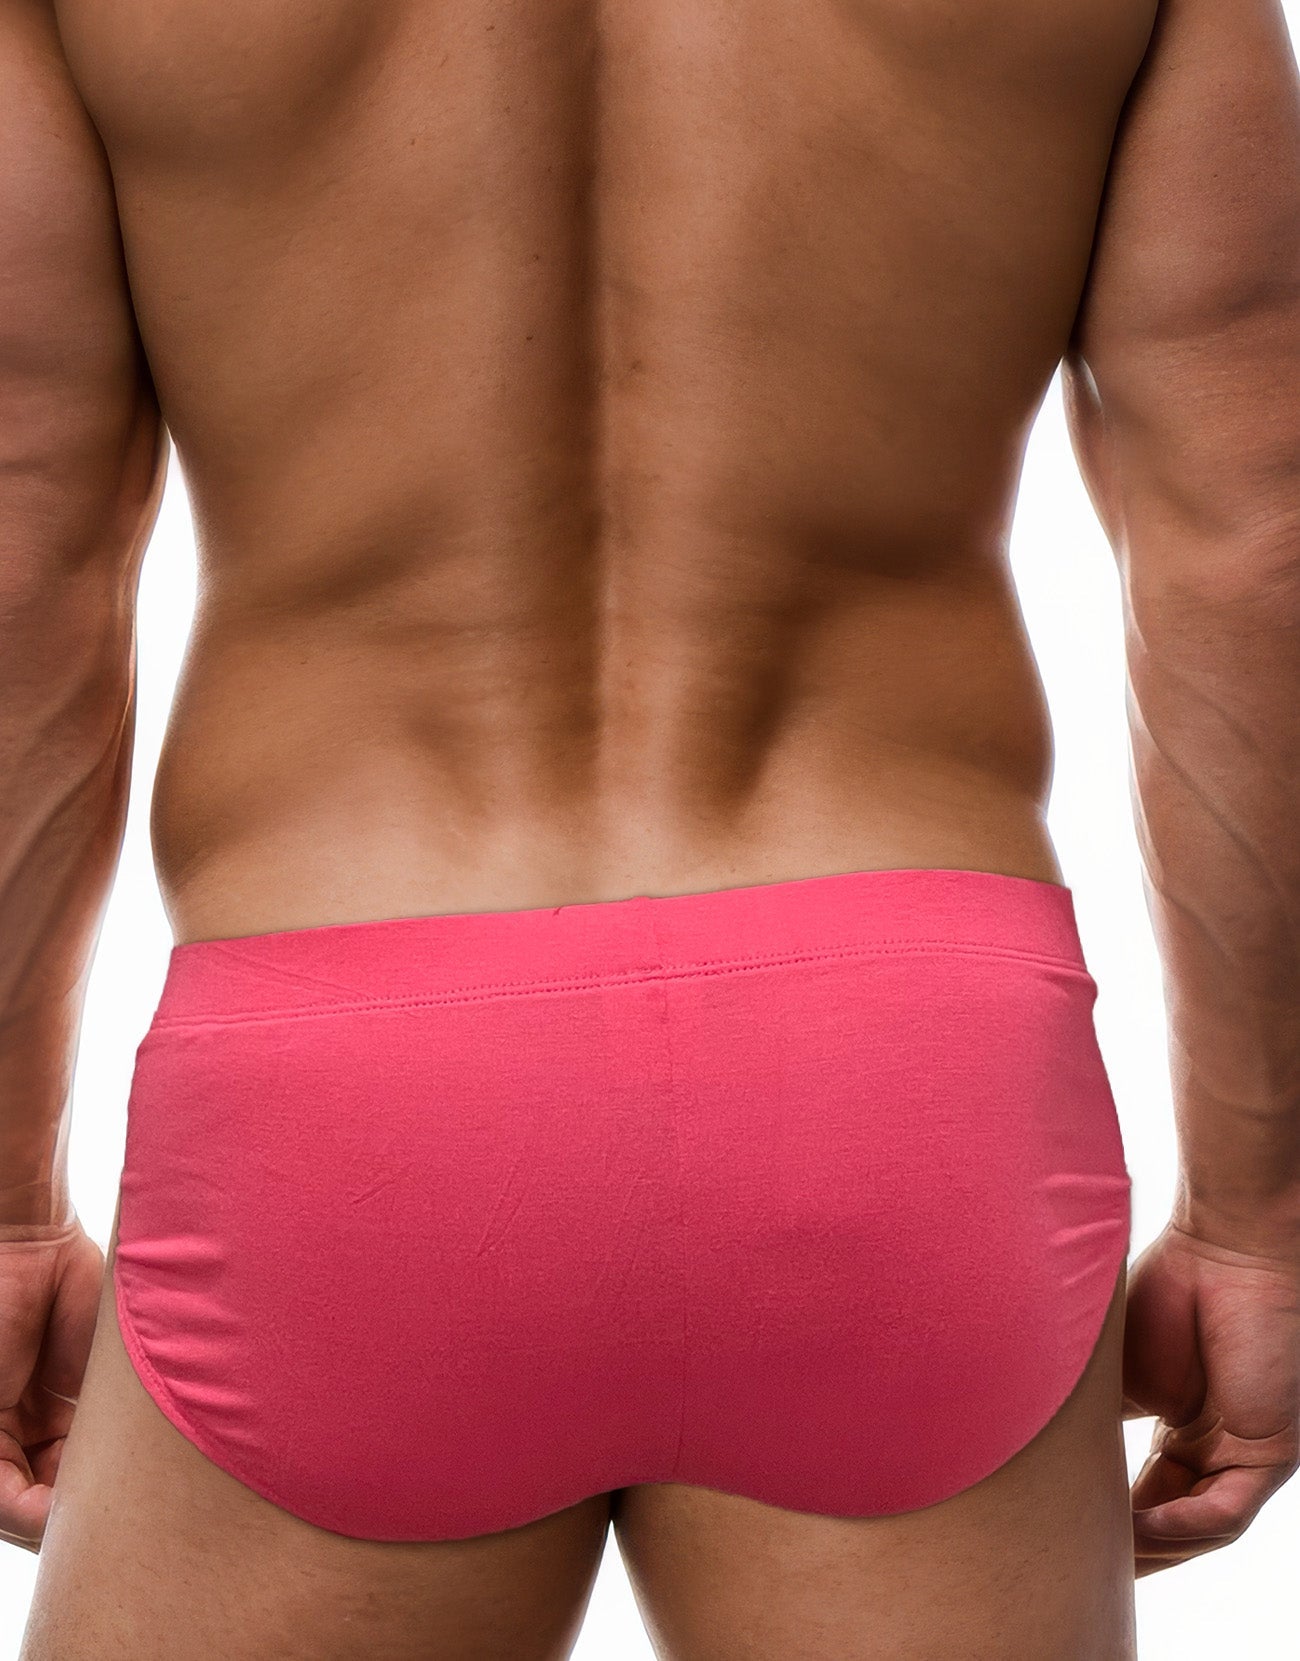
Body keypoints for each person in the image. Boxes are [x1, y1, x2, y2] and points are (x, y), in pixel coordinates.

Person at [2, 0, 1298, 1655]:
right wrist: (1261, 1219)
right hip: (900, 1069)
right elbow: (1253, 543)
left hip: (354, 1087)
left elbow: (26, 550)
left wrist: (6, 1202)